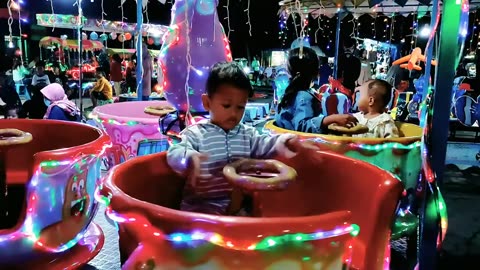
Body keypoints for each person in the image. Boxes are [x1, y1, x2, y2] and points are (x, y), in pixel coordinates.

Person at [166, 62, 309, 215]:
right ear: (207, 102)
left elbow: (266, 143)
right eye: (227, 106)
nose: (234, 114)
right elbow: (175, 150)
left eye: (240, 107)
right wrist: (190, 158)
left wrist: (286, 141)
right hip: (201, 210)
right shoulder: (195, 134)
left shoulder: (248, 135)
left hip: (238, 207)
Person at [275, 47, 357, 134]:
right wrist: (329, 119)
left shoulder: (292, 93)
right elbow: (302, 126)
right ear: (316, 72)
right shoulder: (303, 96)